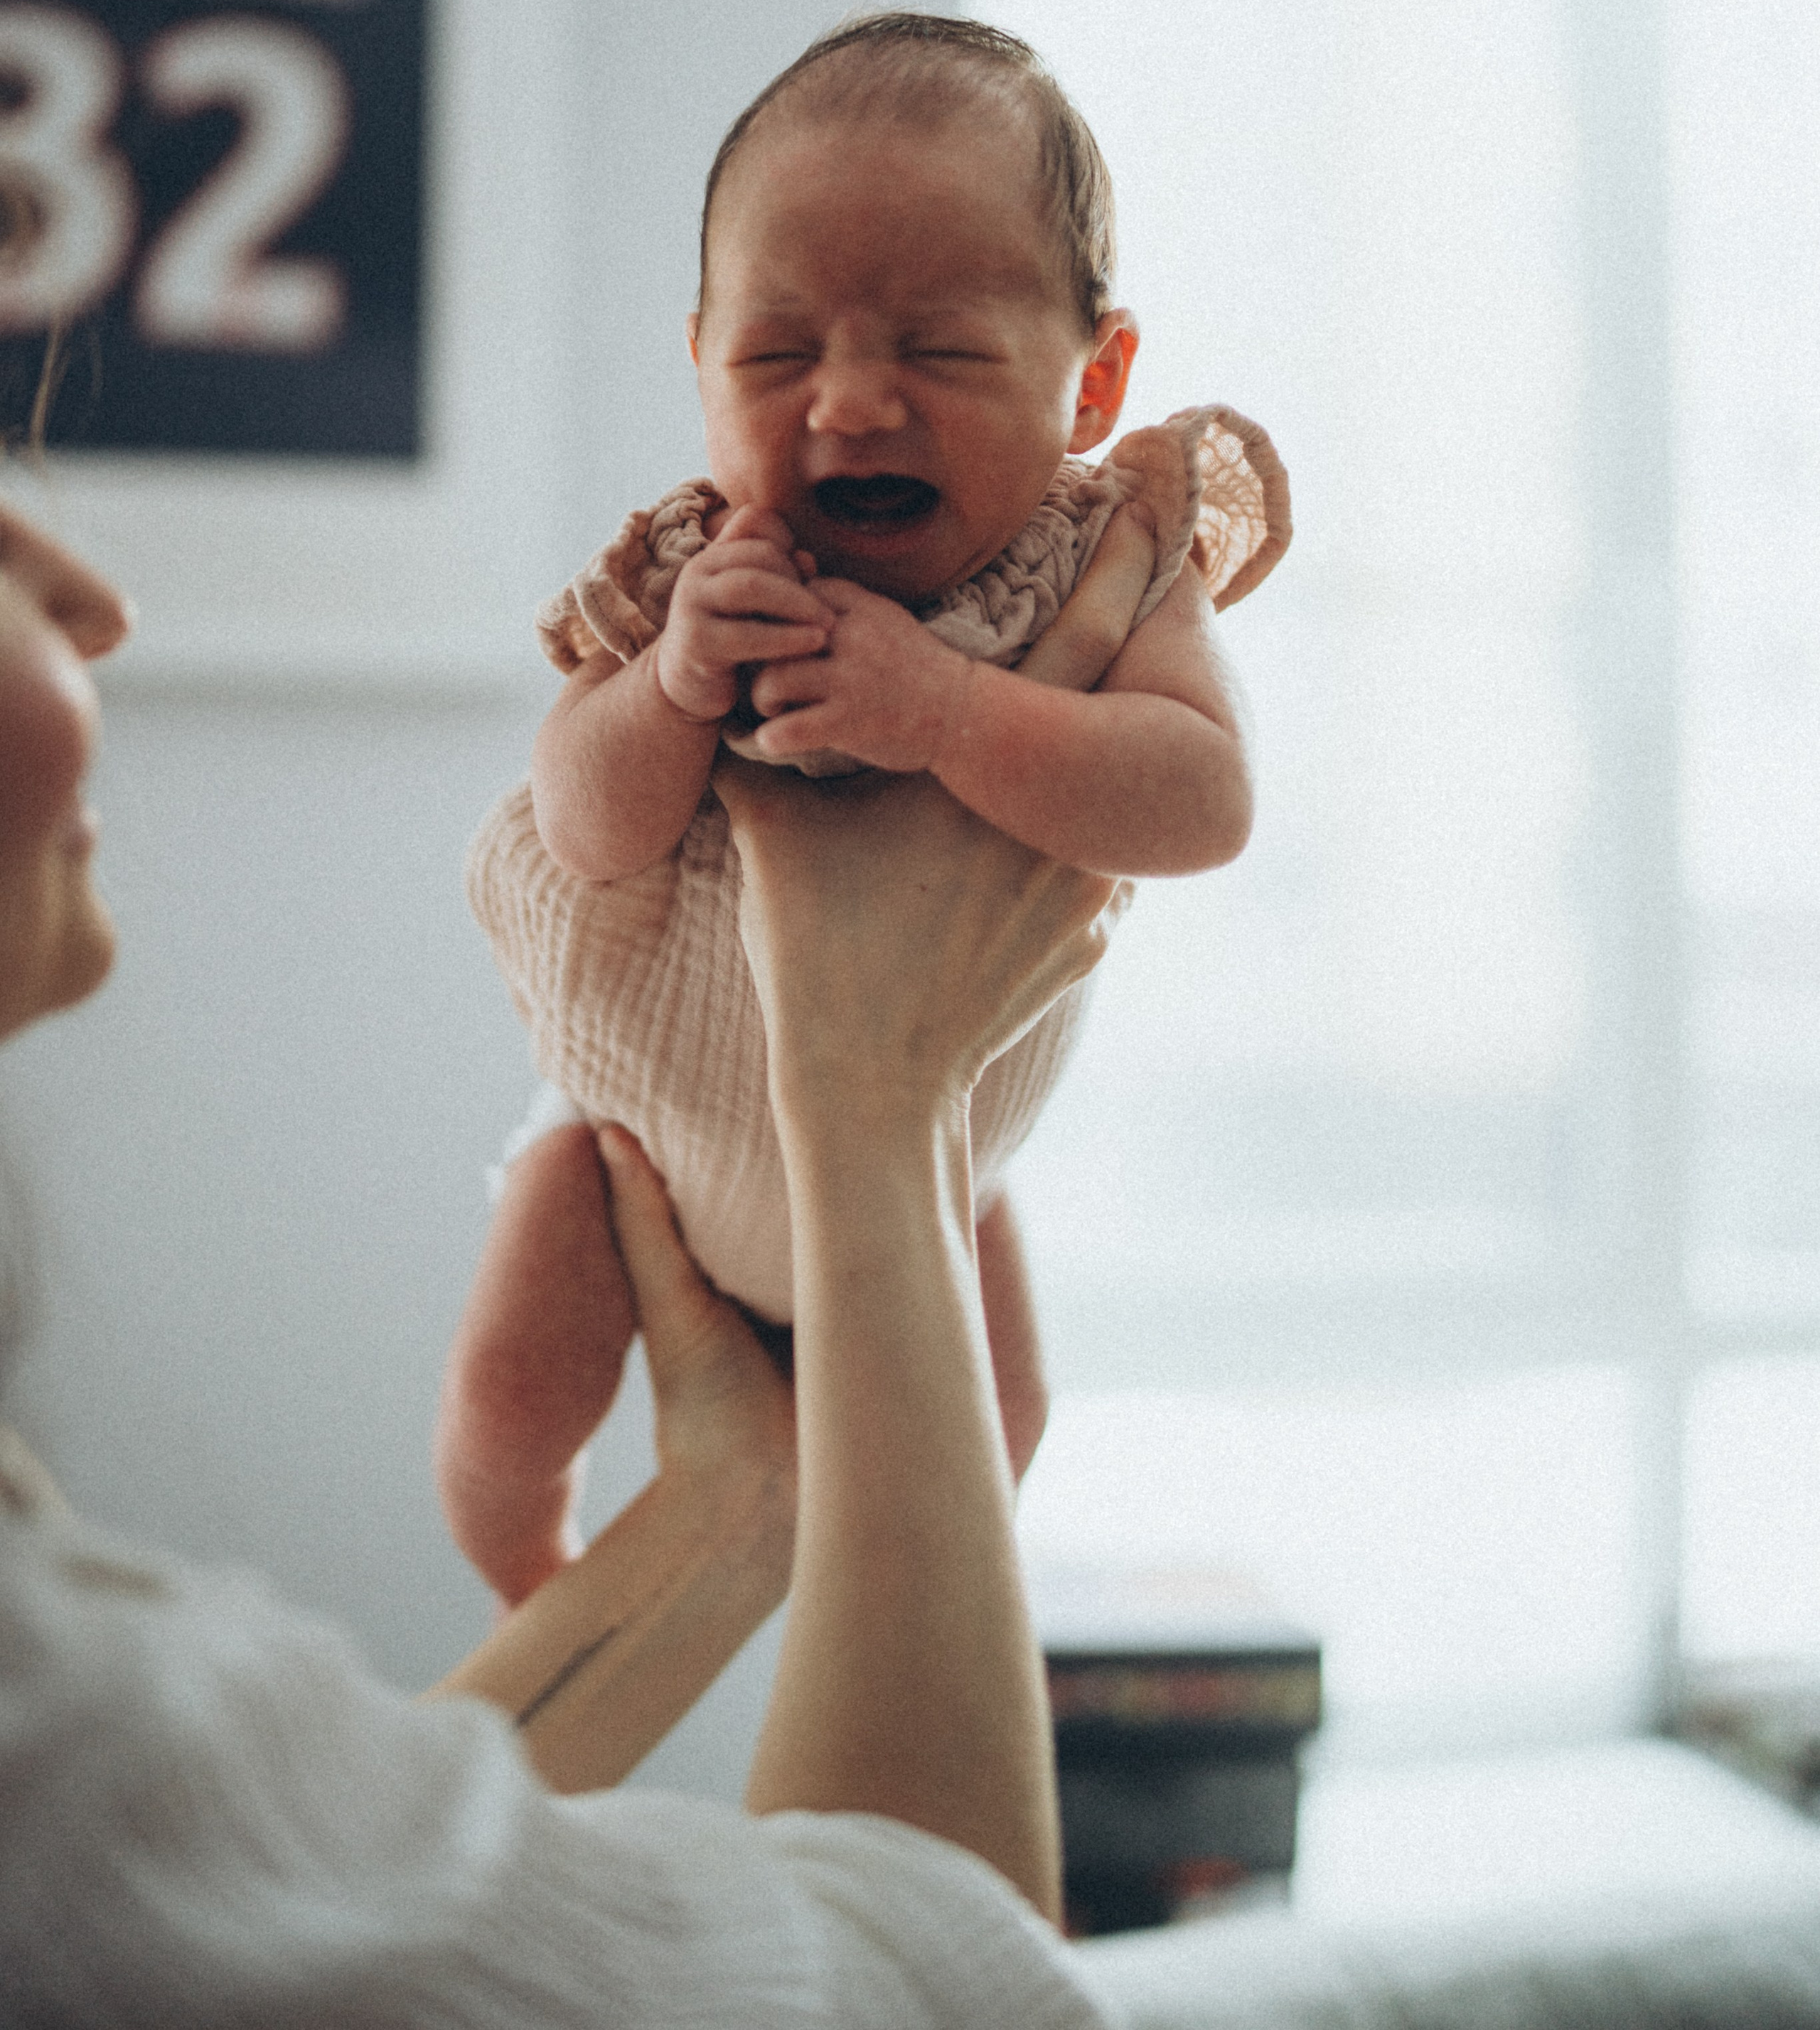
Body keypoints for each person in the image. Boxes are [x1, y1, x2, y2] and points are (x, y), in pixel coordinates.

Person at [0, 492, 1119, 2024]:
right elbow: (951, 1987)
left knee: (1008, 1421)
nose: (87, 594)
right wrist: (882, 1113)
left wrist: (732, 1507)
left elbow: (302, 1893)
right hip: (693, 1125)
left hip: (867, 1195)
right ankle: (517, 1534)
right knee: (513, 1398)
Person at [447, 11, 1291, 1604]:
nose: (846, 404)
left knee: (1005, 1422)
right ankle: (539, 1587)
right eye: (777, 355)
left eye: (943, 351)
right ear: (699, 360)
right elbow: (581, 822)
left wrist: (953, 711)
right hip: (643, 1163)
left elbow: (1203, 801)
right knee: (510, 1399)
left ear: (1092, 377)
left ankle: (873, 1622)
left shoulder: (1098, 575)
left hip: (931, 1178)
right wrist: (673, 690)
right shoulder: (697, 576)